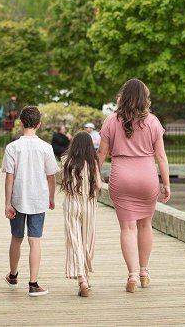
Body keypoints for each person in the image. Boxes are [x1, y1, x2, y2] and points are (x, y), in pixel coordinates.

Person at [97, 78, 171, 293]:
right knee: (145, 225)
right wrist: (166, 183)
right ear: (144, 98)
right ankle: (144, 272)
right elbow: (161, 156)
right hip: (146, 176)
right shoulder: (153, 122)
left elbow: (101, 153)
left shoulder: (111, 121)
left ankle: (131, 276)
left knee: (127, 228)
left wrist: (95, 176)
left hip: (122, 176)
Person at [2, 106, 59, 297]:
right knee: (35, 241)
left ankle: (13, 275)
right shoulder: (46, 148)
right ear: (39, 124)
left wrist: (7, 203)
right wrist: (51, 197)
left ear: (20, 123)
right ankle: (33, 284)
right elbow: (51, 177)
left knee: (16, 238)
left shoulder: (12, 147)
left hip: (18, 199)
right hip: (38, 199)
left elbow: (9, 178)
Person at [60, 131, 102, 297]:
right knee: (87, 241)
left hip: (71, 203)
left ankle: (82, 279)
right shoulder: (93, 162)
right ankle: (86, 275)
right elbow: (98, 185)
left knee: (74, 240)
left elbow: (63, 182)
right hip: (89, 204)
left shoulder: (66, 161)